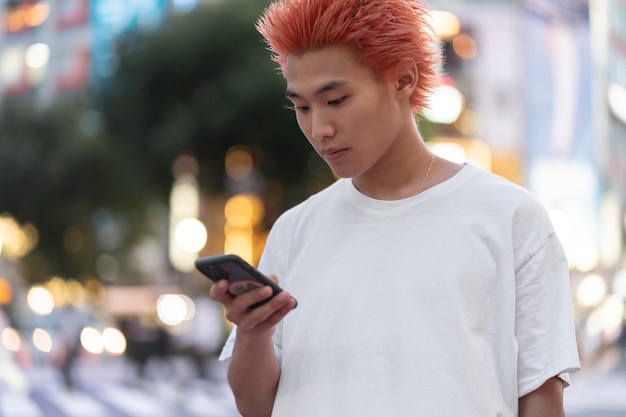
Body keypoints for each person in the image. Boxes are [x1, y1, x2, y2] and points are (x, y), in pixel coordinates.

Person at [209, 0, 581, 416]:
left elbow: (542, 398)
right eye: (302, 106)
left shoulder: (509, 216)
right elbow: (256, 407)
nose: (319, 129)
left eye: (336, 100)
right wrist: (253, 334)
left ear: (403, 79)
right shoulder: (295, 230)